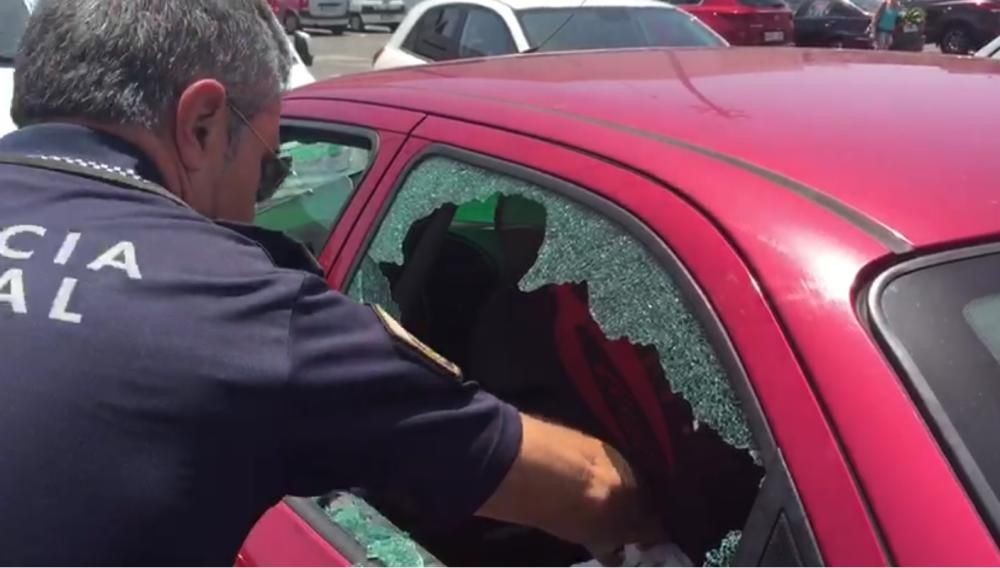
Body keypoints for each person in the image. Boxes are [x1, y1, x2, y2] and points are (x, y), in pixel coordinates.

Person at [0, 0, 664, 565]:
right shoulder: (247, 314)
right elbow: (593, 494)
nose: (259, 203)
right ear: (201, 124)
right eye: (270, 167)